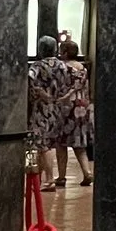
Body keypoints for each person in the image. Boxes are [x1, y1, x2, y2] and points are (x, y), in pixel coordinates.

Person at [27, 35, 82, 191]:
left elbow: (30, 80)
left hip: (41, 109)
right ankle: (37, 179)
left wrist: (40, 93)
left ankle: (49, 179)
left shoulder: (37, 66)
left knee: (42, 144)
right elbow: (74, 82)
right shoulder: (63, 66)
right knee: (47, 144)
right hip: (58, 108)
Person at [58, 34, 94, 188]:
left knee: (61, 143)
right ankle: (87, 172)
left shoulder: (63, 68)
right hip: (82, 106)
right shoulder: (83, 68)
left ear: (65, 53)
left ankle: (61, 177)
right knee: (79, 143)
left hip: (66, 107)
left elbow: (60, 87)